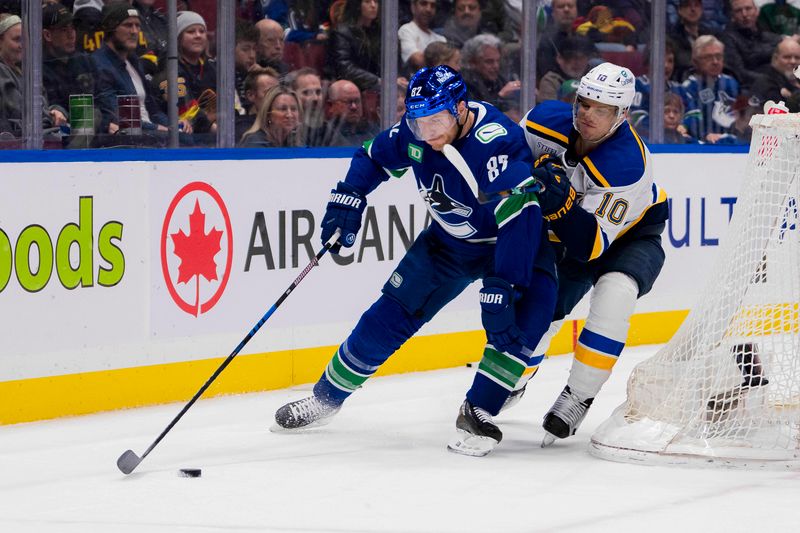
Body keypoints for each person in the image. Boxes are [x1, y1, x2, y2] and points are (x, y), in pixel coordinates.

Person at [272, 65, 559, 457]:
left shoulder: (497, 142)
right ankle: (325, 399)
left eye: (436, 121)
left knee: (524, 319)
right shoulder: (418, 127)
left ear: (460, 108)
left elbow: (520, 214)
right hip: (448, 245)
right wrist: (350, 195)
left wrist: (504, 284)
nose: (427, 132)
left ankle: (479, 409)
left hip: (513, 241)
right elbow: (372, 157)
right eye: (418, 122)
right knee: (385, 318)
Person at [512, 62, 668, 445]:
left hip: (631, 235)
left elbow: (589, 247)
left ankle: (578, 395)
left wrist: (559, 202)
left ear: (622, 115)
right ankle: (512, 377)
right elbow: (504, 169)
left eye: (602, 109)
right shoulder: (542, 122)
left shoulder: (627, 164)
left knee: (615, 293)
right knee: (537, 310)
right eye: (583, 103)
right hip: (569, 231)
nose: (587, 114)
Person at [92, 2, 168, 136]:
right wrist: (157, 128)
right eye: (128, 25)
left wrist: (174, 125)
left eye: (137, 25)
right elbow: (117, 117)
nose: (134, 31)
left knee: (186, 138)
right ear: (111, 28)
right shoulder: (99, 65)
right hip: (132, 140)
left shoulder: (134, 62)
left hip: (151, 133)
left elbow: (154, 110)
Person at [152, 10, 216, 143]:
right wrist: (214, 125)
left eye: (202, 31)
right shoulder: (169, 70)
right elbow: (185, 114)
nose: (198, 35)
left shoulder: (212, 68)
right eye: (191, 32)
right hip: (187, 139)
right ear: (178, 38)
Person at [0, 13, 67, 137]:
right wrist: (50, 116)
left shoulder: (25, 71)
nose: (22, 45)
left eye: (25, 39)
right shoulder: (2, 71)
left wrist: (57, 111)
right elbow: (22, 113)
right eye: (17, 39)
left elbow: (44, 105)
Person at [681, 35, 740, 143]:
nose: (715, 61)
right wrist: (705, 136)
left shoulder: (731, 82)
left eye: (718, 56)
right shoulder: (689, 87)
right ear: (695, 61)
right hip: (702, 144)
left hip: (731, 141)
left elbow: (738, 116)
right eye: (708, 57)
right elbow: (691, 119)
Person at [42, 2, 97, 114]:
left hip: (96, 127)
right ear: (48, 35)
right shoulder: (39, 70)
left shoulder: (86, 61)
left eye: (73, 28)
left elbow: (102, 97)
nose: (71, 35)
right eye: (64, 30)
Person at [721, 0, 782, 89]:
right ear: (732, 16)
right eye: (738, 11)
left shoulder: (769, 35)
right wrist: (769, 80)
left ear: (756, 11)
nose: (744, 14)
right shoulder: (728, 38)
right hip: (751, 87)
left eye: (748, 9)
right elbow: (739, 72)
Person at [329, 0, 381, 90]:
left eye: (376, 2)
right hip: (350, 85)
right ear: (357, 5)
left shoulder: (379, 32)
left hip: (375, 84)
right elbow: (345, 68)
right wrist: (377, 80)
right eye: (367, 1)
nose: (373, 5)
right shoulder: (341, 32)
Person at [238, 86, 304, 148]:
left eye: (293, 109)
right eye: (282, 109)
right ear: (268, 115)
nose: (290, 115)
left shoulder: (293, 141)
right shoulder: (255, 143)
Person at [323, 79, 380, 146]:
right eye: (348, 102)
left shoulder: (373, 131)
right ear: (331, 105)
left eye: (357, 101)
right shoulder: (325, 135)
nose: (354, 107)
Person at [750, 36, 800, 107]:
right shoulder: (766, 83)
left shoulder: (796, 78)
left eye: (797, 57)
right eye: (787, 57)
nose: (793, 61)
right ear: (775, 58)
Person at [235, 65, 281, 143]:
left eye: (277, 92)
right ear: (250, 95)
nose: (275, 97)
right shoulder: (241, 128)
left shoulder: (285, 123)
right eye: (269, 92)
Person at [398, 0, 446, 72]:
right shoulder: (406, 30)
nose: (428, 9)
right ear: (413, 7)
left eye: (432, 6)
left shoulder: (441, 39)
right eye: (423, 3)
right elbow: (418, 61)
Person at [286, 67, 326, 146]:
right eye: (307, 93)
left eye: (318, 92)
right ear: (292, 96)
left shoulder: (329, 131)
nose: (315, 98)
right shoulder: (285, 133)